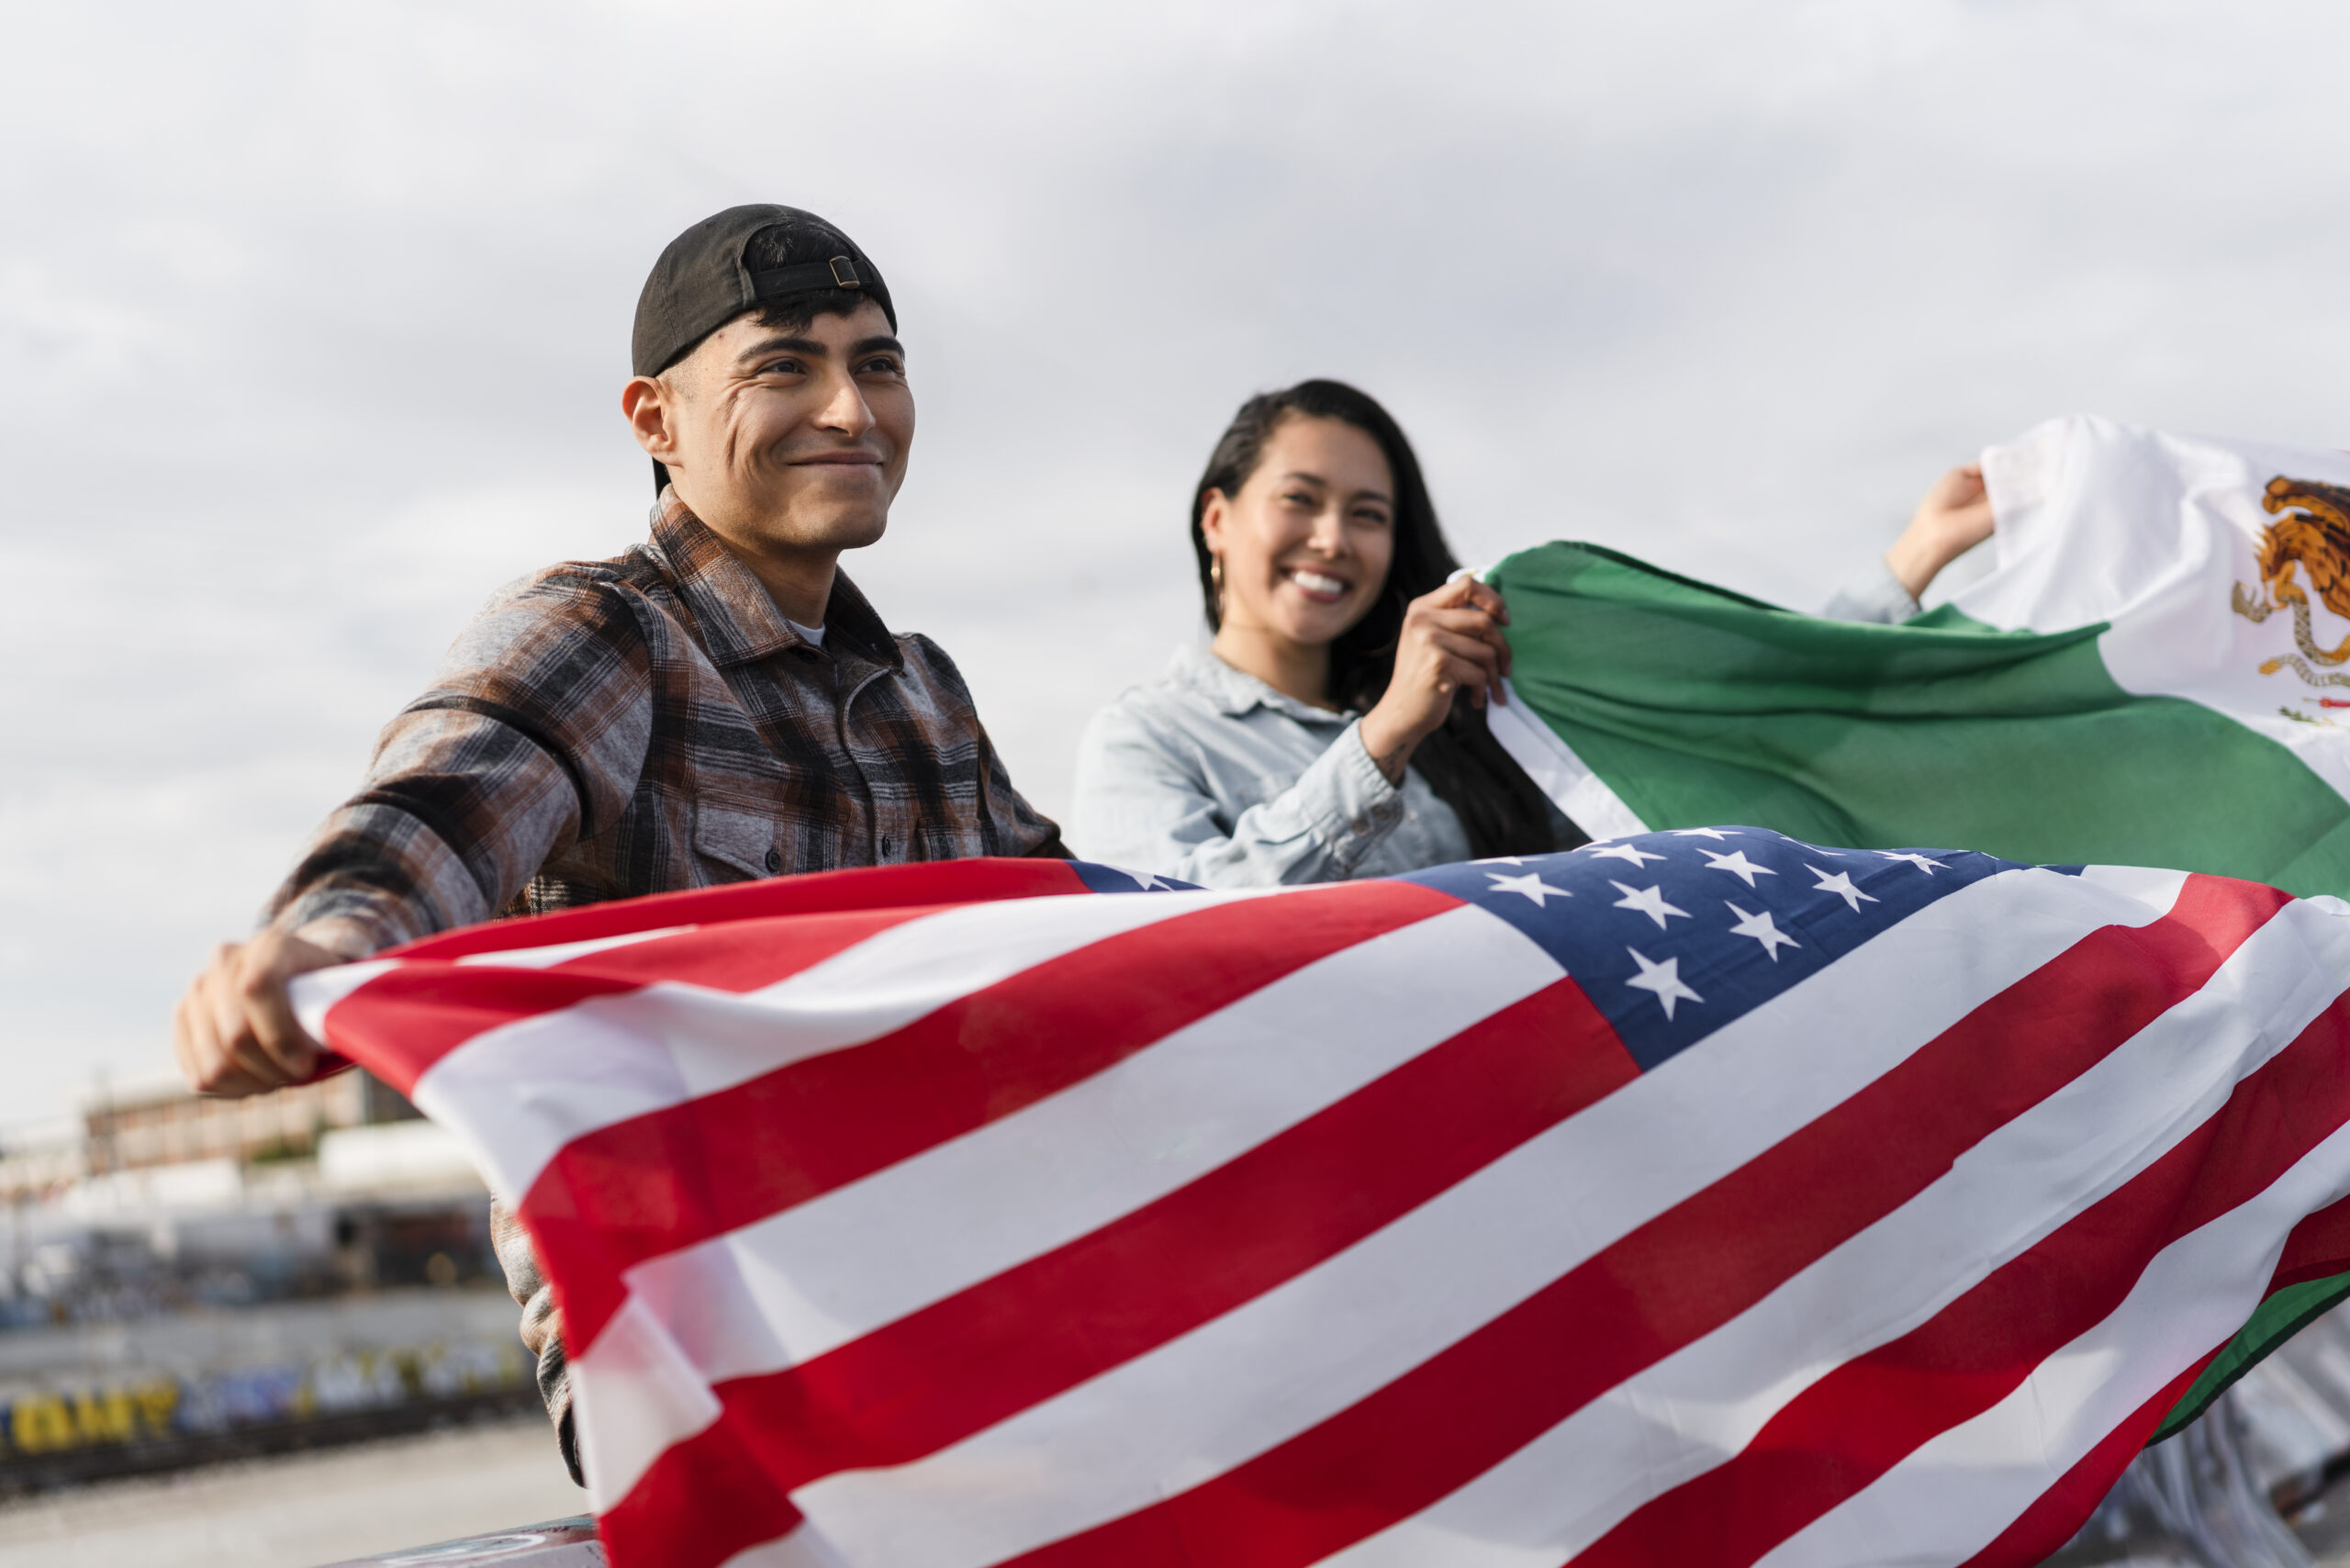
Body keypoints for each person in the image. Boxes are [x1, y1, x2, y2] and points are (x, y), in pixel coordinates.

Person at [171, 204, 1066, 1480]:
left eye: (878, 364)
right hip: (701, 1357)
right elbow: (444, 798)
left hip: (953, 1317)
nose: (852, 410)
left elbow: (1096, 932)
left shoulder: (925, 696)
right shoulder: (612, 636)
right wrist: (321, 945)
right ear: (655, 422)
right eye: (784, 367)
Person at [1069, 380, 1994, 887]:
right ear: (1218, 520)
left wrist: (1914, 556)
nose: (1331, 541)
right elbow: (1175, 927)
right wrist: (1383, 737)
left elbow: (1703, 735)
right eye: (1299, 501)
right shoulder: (1143, 737)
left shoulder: (1464, 709)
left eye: (1367, 514)